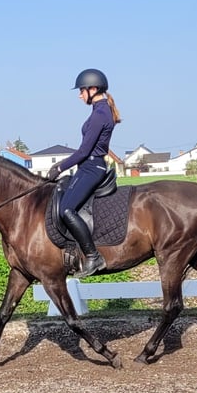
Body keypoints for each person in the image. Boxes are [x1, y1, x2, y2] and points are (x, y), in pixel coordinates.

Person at [47, 68, 122, 277]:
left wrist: (60, 167)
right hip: (87, 166)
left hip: (92, 167)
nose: (80, 95)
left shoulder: (100, 114)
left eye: (82, 90)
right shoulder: (100, 110)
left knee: (66, 209)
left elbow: (84, 151)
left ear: (93, 89)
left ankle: (92, 256)